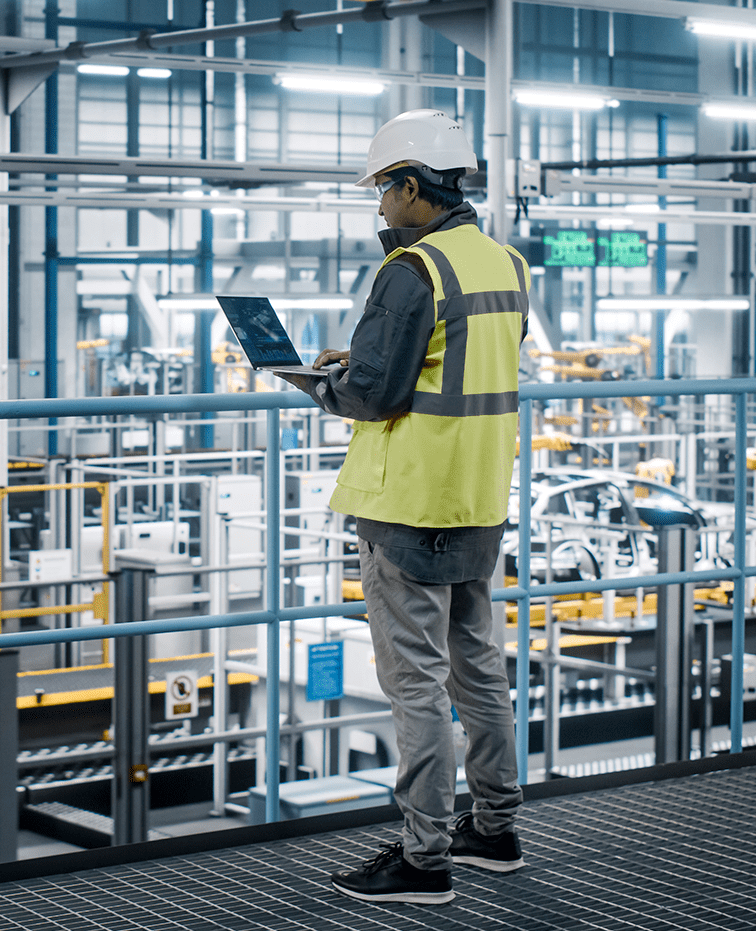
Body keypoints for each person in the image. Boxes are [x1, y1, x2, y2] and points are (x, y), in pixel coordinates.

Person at [278, 109, 530, 906]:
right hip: (480, 494)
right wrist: (371, 355)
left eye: (385, 190)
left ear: (415, 187)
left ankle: (424, 860)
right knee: (479, 667)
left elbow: (375, 394)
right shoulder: (505, 263)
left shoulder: (410, 270)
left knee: (416, 684)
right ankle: (494, 829)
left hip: (411, 500)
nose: (380, 206)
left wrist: (325, 383)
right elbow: (459, 358)